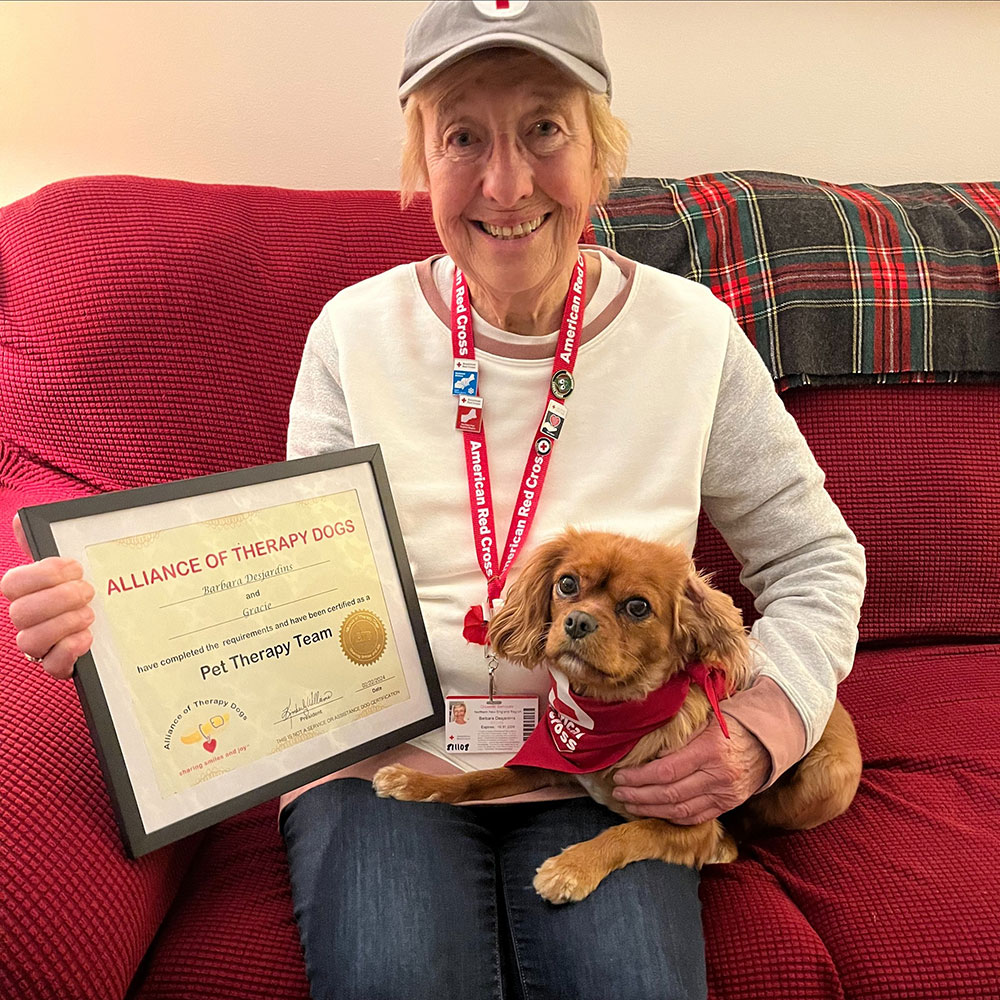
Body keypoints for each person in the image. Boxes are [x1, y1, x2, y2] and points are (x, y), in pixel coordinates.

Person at [1, 3, 866, 998]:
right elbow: (285, 584)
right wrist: (120, 619)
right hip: (381, 751)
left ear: (597, 149)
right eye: (463, 136)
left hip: (610, 749)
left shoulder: (693, 336)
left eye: (543, 127)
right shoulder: (351, 333)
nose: (506, 183)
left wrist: (766, 726)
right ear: (421, 160)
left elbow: (816, 559)